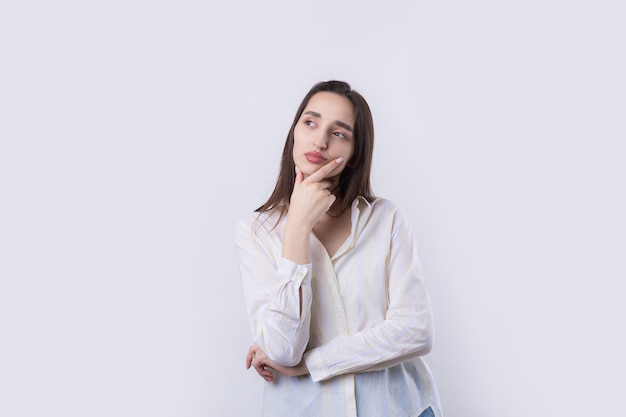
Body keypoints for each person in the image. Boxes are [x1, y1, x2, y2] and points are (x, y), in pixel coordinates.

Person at [234, 80, 442, 417]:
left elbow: (415, 331)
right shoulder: (256, 232)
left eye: (340, 133)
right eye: (311, 122)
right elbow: (283, 351)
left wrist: (312, 364)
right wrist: (298, 227)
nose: (320, 140)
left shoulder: (387, 220)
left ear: (355, 152)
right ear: (294, 132)